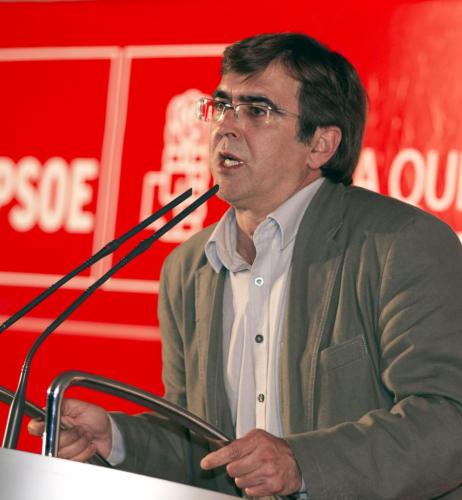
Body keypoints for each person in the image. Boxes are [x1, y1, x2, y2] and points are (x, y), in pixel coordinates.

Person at [29, 33, 462, 499]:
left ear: (320, 145)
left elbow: (449, 420)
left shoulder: (401, 245)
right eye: (221, 106)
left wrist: (301, 463)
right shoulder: (189, 269)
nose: (226, 126)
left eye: (257, 110)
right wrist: (116, 439)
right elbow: (202, 451)